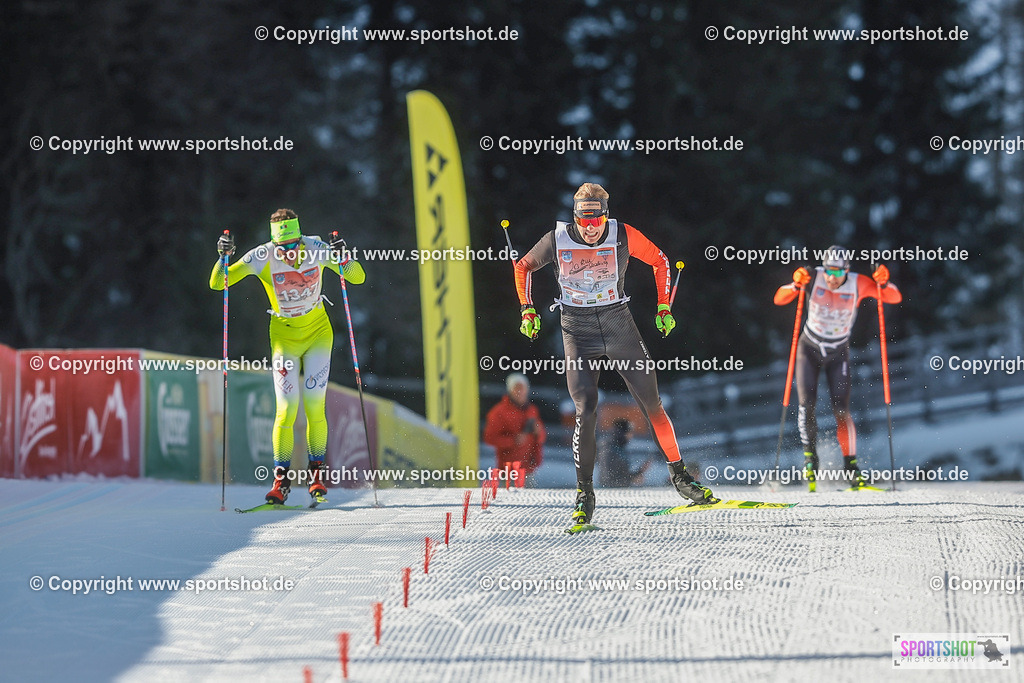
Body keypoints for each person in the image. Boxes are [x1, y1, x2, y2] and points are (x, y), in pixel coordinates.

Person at [513, 182, 718, 526]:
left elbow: (660, 261)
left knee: (651, 403)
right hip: (577, 330)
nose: (591, 228)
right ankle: (584, 494)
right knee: (586, 409)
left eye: (597, 219)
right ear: (575, 217)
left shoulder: (622, 234)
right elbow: (523, 267)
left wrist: (664, 306)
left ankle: (680, 477)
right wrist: (527, 310)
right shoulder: (557, 238)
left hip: (617, 325)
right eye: (584, 219)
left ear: (606, 216)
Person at [211, 208, 365, 505]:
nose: (291, 254)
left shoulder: (317, 249)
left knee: (313, 405)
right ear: (274, 244)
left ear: (301, 239)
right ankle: (281, 481)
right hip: (284, 338)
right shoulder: (261, 256)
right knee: (286, 410)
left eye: (295, 246)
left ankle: (316, 474)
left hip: (318, 333)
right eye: (284, 249)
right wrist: (222, 258)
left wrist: (345, 257)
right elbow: (219, 283)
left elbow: (357, 278)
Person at [773, 246, 901, 491]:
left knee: (841, 409)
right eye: (829, 270)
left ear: (847, 270)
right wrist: (795, 284)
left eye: (837, 272)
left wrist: (884, 284)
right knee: (806, 404)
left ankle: (851, 469)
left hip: (838, 351)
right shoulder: (814, 277)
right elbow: (779, 298)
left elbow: (894, 297)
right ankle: (811, 460)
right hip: (808, 347)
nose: (832, 277)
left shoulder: (858, 283)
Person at [482, 373, 546, 484]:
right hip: (509, 471)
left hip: (529, 468)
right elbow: (489, 438)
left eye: (523, 388)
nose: (520, 392)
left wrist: (538, 432)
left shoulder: (532, 410)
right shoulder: (498, 412)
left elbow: (541, 437)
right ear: (510, 390)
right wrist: (513, 440)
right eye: (517, 389)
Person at [598, 418, 654, 488]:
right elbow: (609, 479)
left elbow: (622, 474)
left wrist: (639, 472)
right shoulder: (609, 449)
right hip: (611, 491)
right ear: (621, 433)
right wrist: (634, 478)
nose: (631, 436)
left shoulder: (618, 448)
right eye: (629, 433)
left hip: (617, 489)